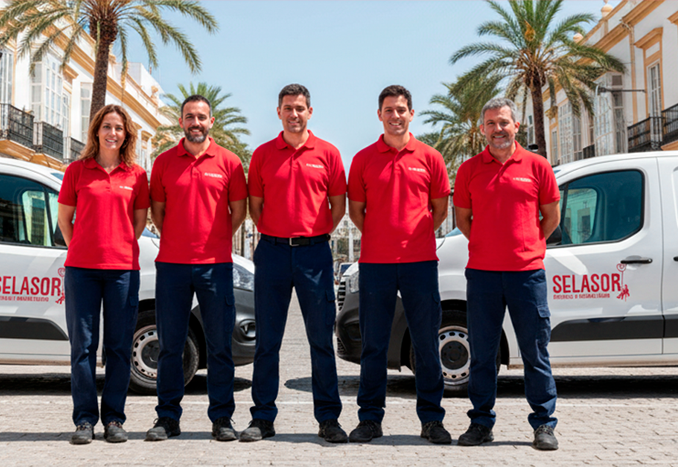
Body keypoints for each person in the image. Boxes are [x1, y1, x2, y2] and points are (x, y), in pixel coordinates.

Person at [240, 84, 348, 443]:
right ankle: (263, 418)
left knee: (320, 339)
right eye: (288, 107)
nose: (294, 113)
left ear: (310, 112)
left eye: (300, 108)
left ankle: (328, 419)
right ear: (279, 112)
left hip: (314, 254)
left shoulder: (328, 154)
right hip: (271, 253)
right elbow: (255, 206)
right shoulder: (262, 155)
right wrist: (277, 233)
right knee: (267, 341)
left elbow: (338, 206)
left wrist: (313, 235)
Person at [453, 97, 562, 451]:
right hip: (482, 275)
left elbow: (551, 217)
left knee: (534, 351)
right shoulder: (469, 170)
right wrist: (490, 246)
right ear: (482, 129)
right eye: (490, 123)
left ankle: (544, 424)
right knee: (483, 353)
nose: (497, 129)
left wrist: (527, 245)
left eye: (503, 122)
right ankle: (481, 423)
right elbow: (463, 221)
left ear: (517, 126)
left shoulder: (537, 165)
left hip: (526, 274)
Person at [345, 85, 451, 444]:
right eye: (389, 110)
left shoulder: (430, 157)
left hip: (420, 262)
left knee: (425, 343)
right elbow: (357, 212)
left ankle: (432, 420)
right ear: (380, 115)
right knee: (374, 345)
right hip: (376, 263)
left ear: (411, 114)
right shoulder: (362, 159)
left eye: (401, 109)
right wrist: (383, 236)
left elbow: (439, 210)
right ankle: (370, 420)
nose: (395, 116)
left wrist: (412, 236)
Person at [146, 94, 249, 442]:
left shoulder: (231, 163)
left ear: (211, 122)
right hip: (172, 266)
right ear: (181, 122)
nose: (196, 123)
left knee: (220, 346)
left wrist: (214, 239)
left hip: (216, 266)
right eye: (190, 117)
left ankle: (222, 418)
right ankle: (167, 418)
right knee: (170, 346)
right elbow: (157, 212)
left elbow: (238, 212)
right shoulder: (163, 163)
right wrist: (177, 240)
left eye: (201, 117)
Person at [57, 104, 149, 445]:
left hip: (123, 271)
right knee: (82, 347)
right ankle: (84, 420)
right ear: (96, 131)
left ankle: (113, 419)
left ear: (126, 135)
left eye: (119, 128)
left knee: (119, 348)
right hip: (81, 271)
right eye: (107, 126)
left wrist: (117, 245)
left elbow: (138, 223)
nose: (113, 133)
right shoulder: (77, 171)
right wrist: (82, 247)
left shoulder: (136, 175)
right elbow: (64, 219)